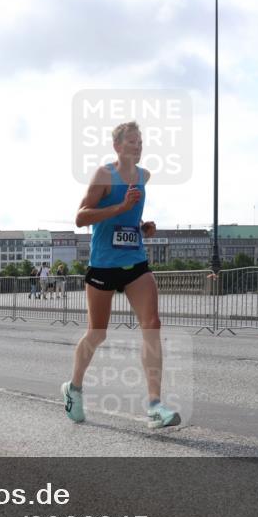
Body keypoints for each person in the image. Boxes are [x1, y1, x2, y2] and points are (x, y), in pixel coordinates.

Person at [61, 121, 179, 428]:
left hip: (135, 262)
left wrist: (142, 227)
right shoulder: (104, 175)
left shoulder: (144, 176)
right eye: (132, 142)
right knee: (97, 333)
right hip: (103, 266)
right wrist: (119, 207)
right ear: (117, 146)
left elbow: (128, 221)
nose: (138, 147)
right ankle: (73, 388)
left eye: (140, 142)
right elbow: (81, 217)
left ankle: (155, 405)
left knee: (152, 325)